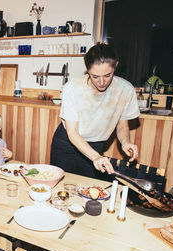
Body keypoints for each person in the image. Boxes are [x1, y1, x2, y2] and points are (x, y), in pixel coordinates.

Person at [50, 43, 140, 179]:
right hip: (66, 143)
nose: (102, 82)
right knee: (60, 187)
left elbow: (122, 125)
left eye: (107, 75)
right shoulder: (73, 88)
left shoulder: (125, 90)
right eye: (95, 76)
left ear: (116, 66)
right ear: (87, 71)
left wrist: (125, 142)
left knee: (88, 189)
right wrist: (96, 157)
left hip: (96, 145)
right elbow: (72, 133)